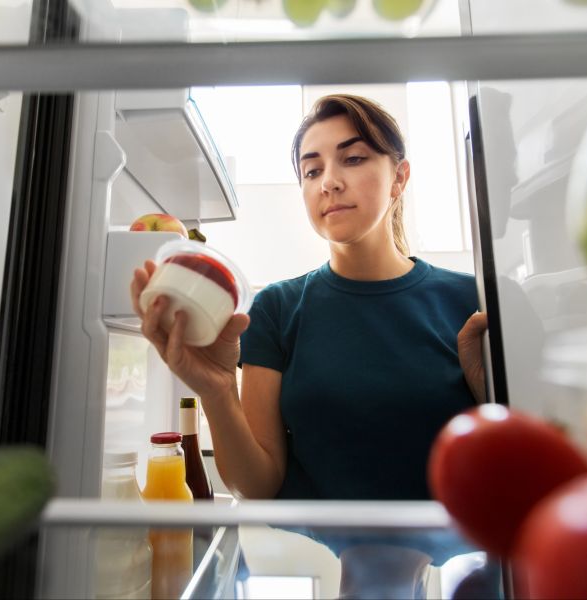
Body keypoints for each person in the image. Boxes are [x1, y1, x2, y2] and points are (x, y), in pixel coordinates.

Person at [130, 93, 488, 504]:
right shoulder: (276, 309)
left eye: (352, 159)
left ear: (400, 177)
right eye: (312, 169)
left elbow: (514, 468)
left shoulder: (470, 299)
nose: (329, 182)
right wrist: (218, 391)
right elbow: (256, 487)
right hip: (313, 563)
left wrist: (490, 396)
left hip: (447, 561)